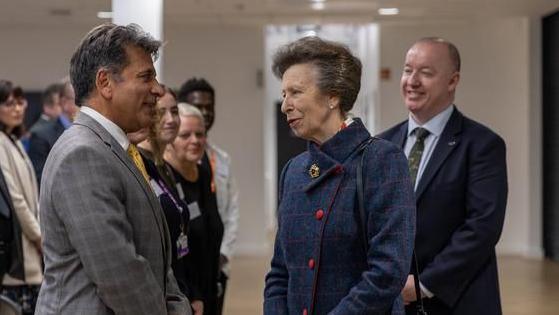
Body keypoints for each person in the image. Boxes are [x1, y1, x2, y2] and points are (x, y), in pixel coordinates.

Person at [35, 23, 190, 315]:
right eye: (146, 77)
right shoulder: (83, 154)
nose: (158, 89)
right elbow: (121, 276)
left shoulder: (115, 149)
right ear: (105, 82)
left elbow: (155, 257)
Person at [263, 36, 416, 315]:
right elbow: (279, 272)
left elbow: (388, 271)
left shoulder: (382, 161)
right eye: (284, 94)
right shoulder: (294, 171)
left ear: (333, 96)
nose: (285, 105)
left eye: (295, 92)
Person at [378, 37, 508, 315]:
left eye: (425, 72)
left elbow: (482, 227)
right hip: (391, 301)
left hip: (457, 300)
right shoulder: (382, 145)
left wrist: (423, 284)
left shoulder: (482, 145)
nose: (412, 81)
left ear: (452, 81)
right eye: (407, 69)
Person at [178, 78, 239, 313]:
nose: (204, 112)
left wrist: (223, 256)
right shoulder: (169, 164)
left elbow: (232, 210)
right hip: (189, 266)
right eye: (197, 106)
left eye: (208, 106)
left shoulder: (220, 159)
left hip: (217, 262)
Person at [164, 103, 224, 315]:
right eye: (185, 135)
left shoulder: (204, 174)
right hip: (185, 296)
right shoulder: (164, 180)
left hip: (210, 287)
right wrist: (190, 295)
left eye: (200, 134)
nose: (195, 141)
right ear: (170, 139)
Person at [134, 86, 193, 299]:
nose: (170, 119)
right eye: (161, 112)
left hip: (177, 282)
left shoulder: (164, 165)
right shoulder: (137, 163)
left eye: (175, 111)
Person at [0, 80, 42, 315]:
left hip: (31, 248)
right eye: (9, 103)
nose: (17, 108)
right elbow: (15, 199)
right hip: (19, 256)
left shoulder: (13, 140)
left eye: (20, 102)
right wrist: (38, 236)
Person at [28, 79, 77, 186]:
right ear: (64, 102)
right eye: (79, 99)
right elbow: (40, 179)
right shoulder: (41, 135)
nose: (85, 104)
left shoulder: (87, 131)